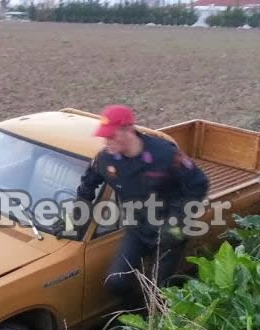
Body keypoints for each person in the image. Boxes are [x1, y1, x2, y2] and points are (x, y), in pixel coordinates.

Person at [76, 105, 209, 313]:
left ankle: (159, 322)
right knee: (116, 282)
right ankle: (136, 314)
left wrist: (177, 221)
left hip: (169, 232)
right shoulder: (106, 159)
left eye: (111, 136)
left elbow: (198, 184)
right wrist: (74, 216)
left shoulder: (165, 155)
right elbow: (88, 184)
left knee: (159, 290)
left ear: (129, 130)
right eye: (104, 136)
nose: (106, 141)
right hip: (136, 229)